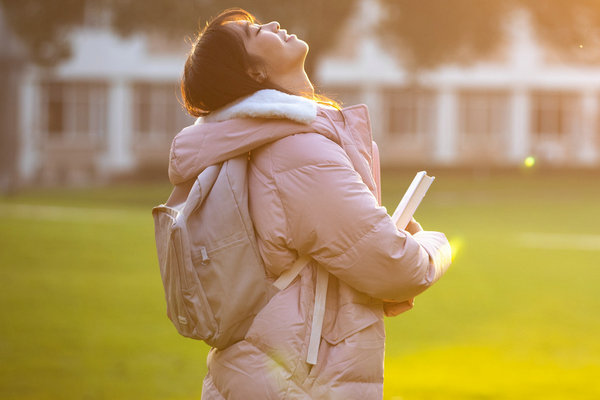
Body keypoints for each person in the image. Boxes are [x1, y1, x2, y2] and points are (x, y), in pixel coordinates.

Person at [169, 8, 452, 400]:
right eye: (254, 33)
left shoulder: (259, 143)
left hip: (269, 375)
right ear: (254, 73)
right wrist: (435, 245)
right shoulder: (296, 151)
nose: (269, 24)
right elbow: (395, 266)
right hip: (299, 384)